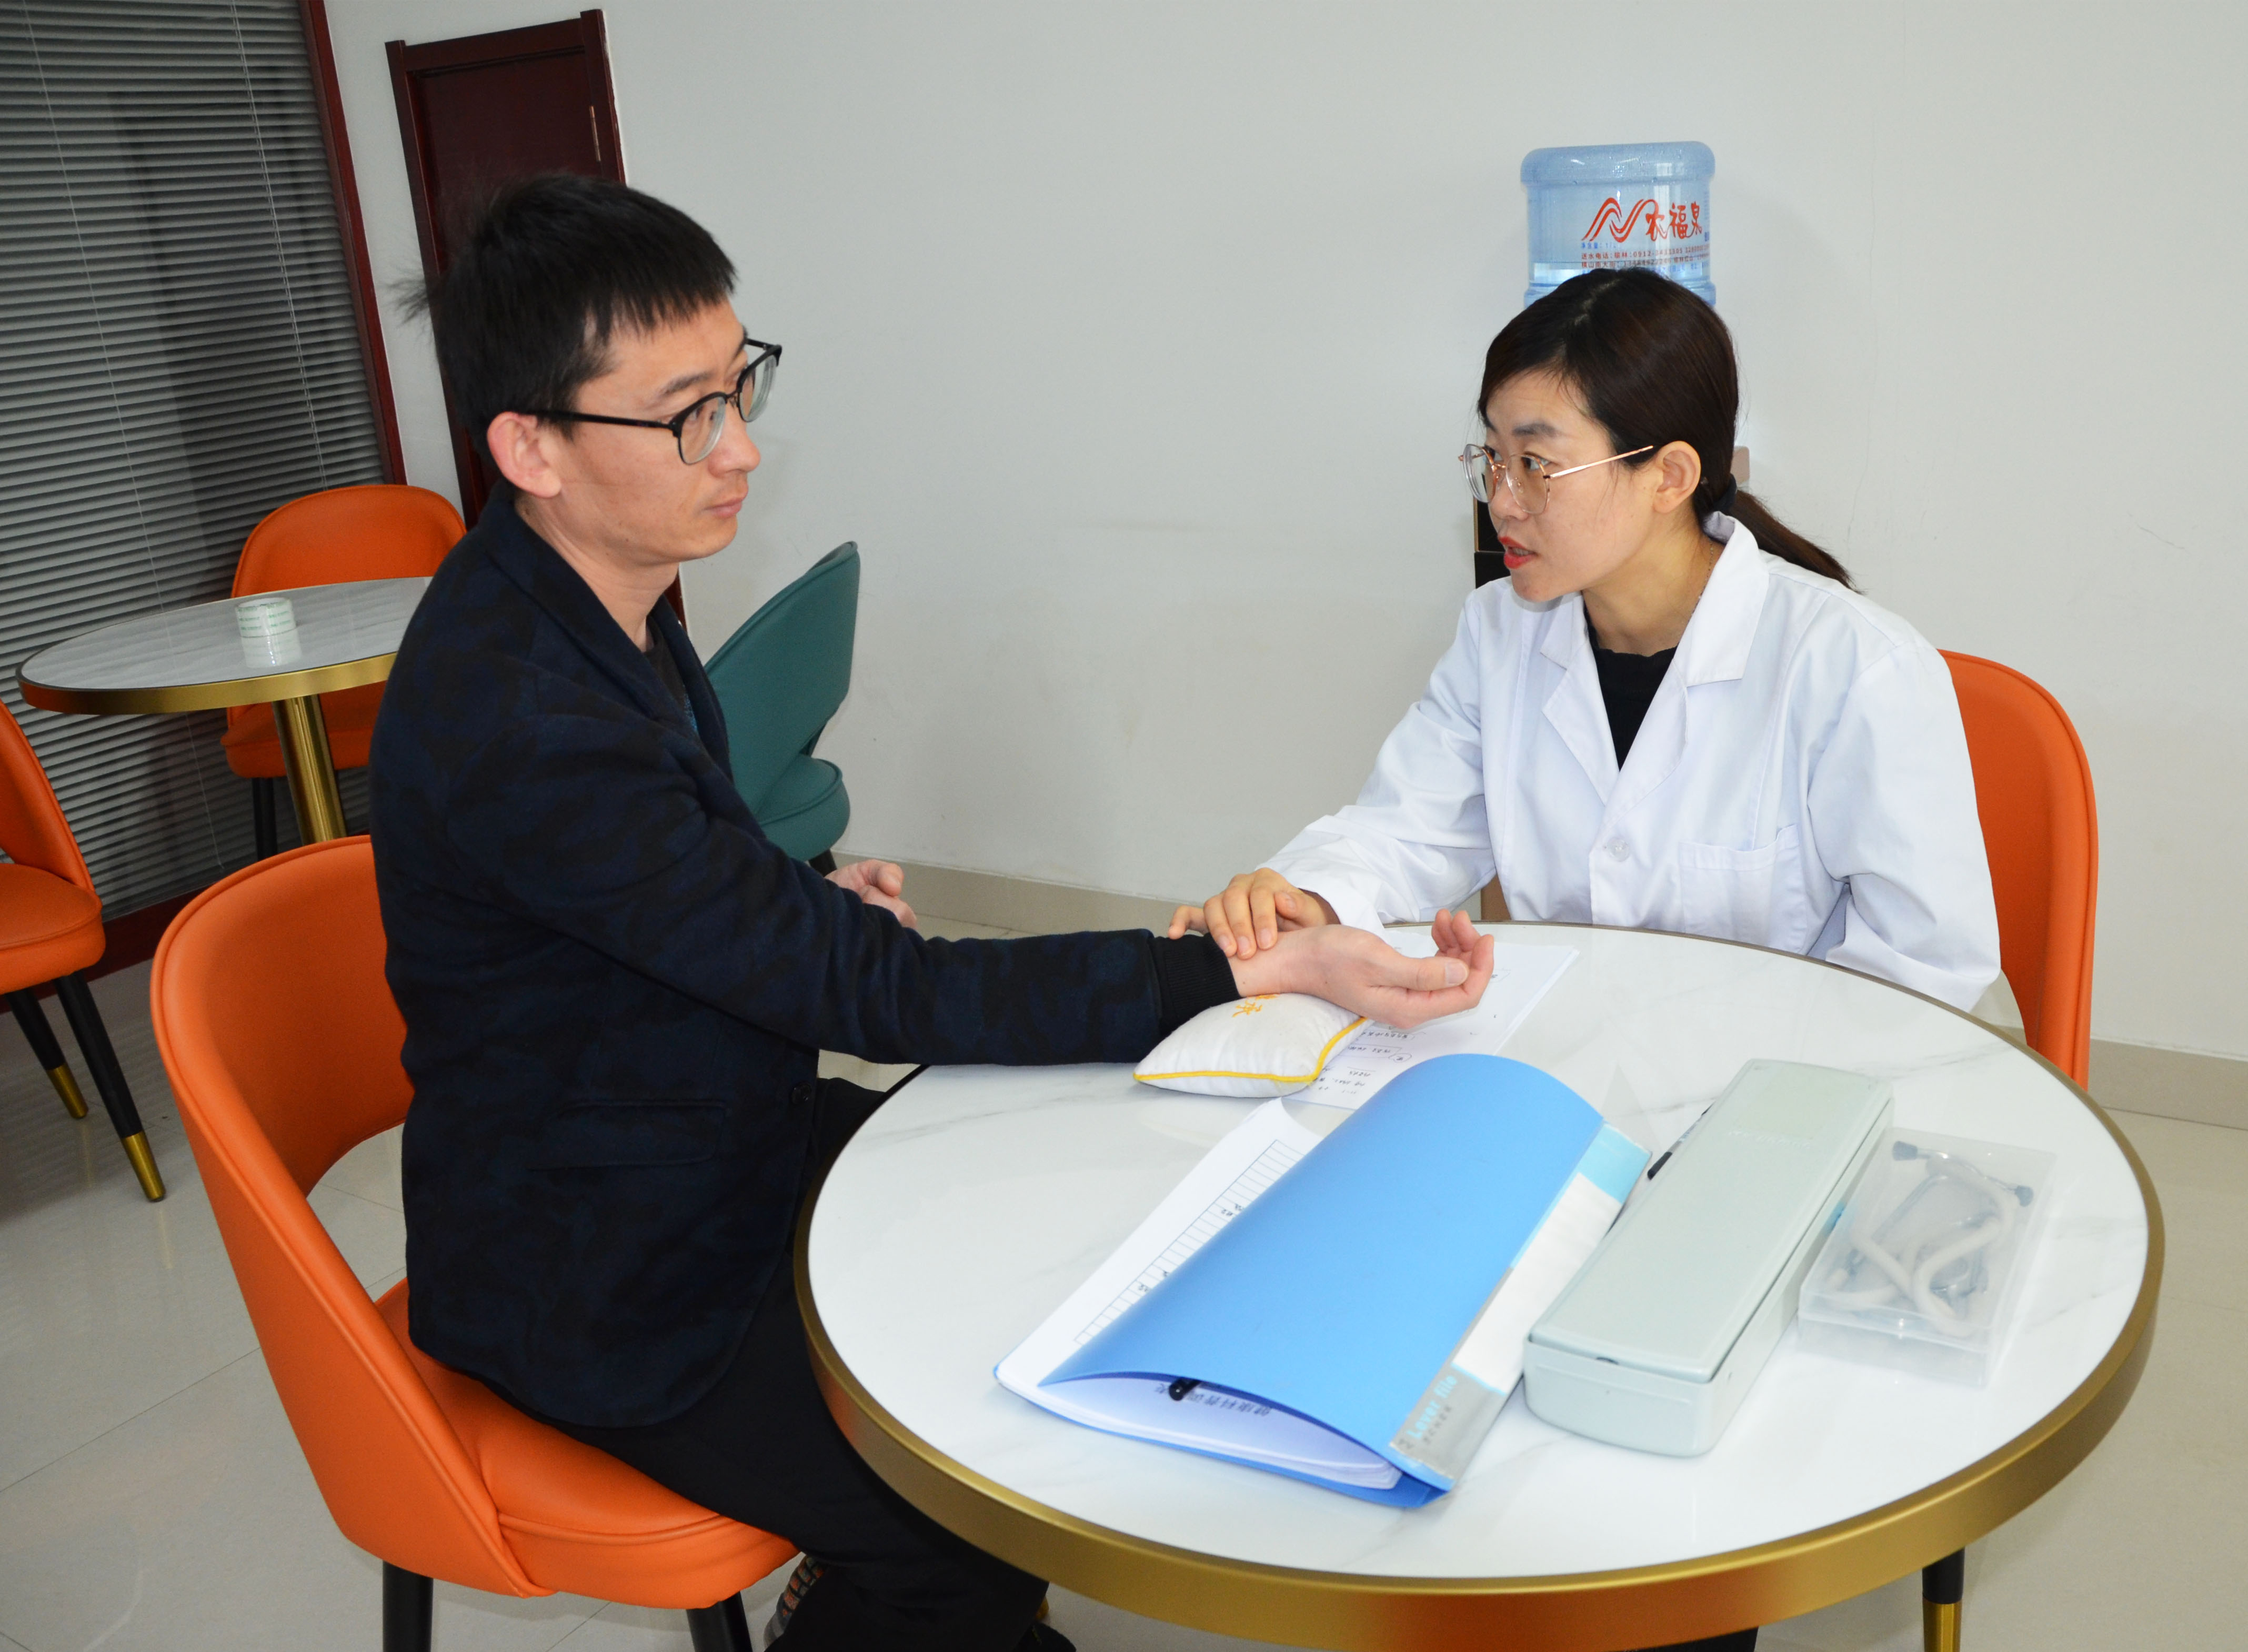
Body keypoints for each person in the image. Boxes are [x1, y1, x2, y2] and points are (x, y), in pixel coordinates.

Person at [369, 174, 1494, 1652]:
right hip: (610, 1270)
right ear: (532, 447)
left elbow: (635, 895)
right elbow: (880, 994)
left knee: (1056, 1192)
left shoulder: (592, 600)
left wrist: (781, 897)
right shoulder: (522, 711)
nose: (740, 446)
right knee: (965, 1511)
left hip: (701, 1134)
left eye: (739, 385)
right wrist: (1237, 968)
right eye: (687, 415)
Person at [1173, 266, 2000, 1020]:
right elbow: (1408, 830)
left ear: (1668, 477)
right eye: (1493, 459)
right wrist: (1303, 899)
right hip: (1567, 1069)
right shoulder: (1500, 632)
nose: (1502, 502)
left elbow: (1924, 971)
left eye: (1537, 464)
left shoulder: (1853, 668)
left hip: (1778, 1091)